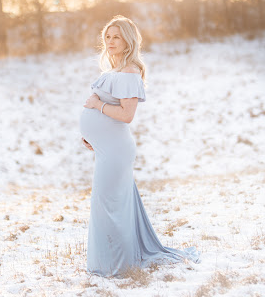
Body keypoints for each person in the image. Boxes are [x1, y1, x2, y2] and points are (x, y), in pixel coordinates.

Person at [79, 15, 201, 278]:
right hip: (107, 148)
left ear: (128, 41)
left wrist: (96, 106)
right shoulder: (114, 71)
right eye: (108, 36)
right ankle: (111, 261)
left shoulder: (130, 72)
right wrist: (93, 136)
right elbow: (110, 117)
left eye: (117, 37)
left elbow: (126, 115)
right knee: (109, 204)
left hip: (117, 151)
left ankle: (119, 266)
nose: (110, 41)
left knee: (109, 205)